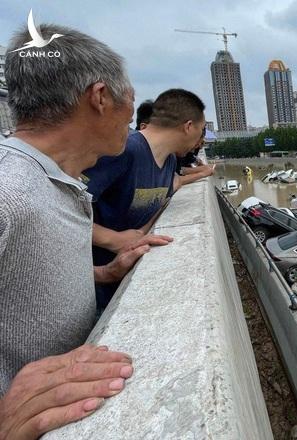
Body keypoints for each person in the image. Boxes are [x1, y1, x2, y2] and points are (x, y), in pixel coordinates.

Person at [0, 24, 170, 438]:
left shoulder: (55, 181)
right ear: (99, 98)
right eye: (129, 116)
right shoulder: (10, 191)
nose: (130, 131)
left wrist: (105, 272)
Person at [83, 88, 213, 309]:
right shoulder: (125, 151)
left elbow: (170, 190)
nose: (199, 142)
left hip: (123, 282)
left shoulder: (170, 160)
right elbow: (60, 209)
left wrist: (142, 234)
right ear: (188, 126)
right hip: (91, 289)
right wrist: (113, 239)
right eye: (201, 131)